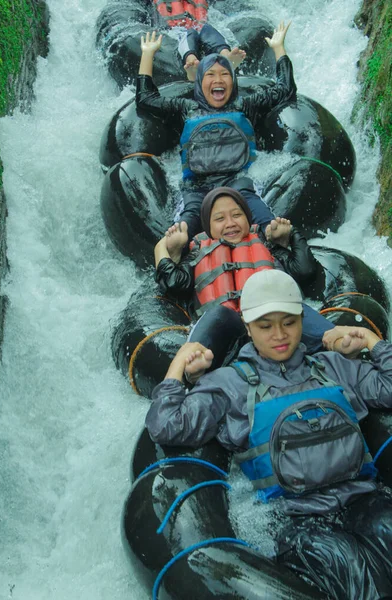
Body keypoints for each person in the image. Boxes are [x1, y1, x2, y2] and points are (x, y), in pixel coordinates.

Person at [145, 269, 392, 599]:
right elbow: (167, 424)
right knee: (348, 563)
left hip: (363, 498)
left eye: (289, 322)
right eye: (265, 326)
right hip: (296, 520)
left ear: (302, 321)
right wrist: (178, 368)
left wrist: (373, 343)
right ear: (248, 328)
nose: (280, 334)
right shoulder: (229, 384)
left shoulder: (333, 366)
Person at [136, 21, 295, 241]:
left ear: (233, 80)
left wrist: (278, 48)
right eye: (210, 75)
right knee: (188, 217)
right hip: (196, 186)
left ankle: (270, 232)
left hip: (237, 180)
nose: (218, 80)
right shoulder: (186, 109)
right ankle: (179, 242)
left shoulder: (245, 106)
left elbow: (284, 90)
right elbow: (146, 100)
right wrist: (147, 54)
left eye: (225, 74)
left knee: (253, 203)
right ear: (200, 82)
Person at [154, 186, 334, 366]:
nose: (230, 223)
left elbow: (305, 271)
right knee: (219, 314)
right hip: (229, 333)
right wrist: (162, 249)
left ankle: (337, 340)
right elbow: (173, 283)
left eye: (237, 215)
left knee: (293, 307)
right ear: (208, 225)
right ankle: (190, 370)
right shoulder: (198, 251)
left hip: (272, 322)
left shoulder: (264, 242)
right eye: (219, 219)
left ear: (248, 218)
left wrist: (290, 236)